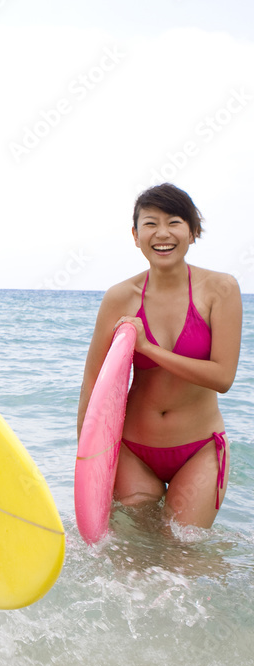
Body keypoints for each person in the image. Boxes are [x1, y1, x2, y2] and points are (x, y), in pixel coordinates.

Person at [77, 183, 241, 529]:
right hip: (133, 450)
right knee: (132, 561)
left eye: (175, 222)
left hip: (199, 449)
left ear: (193, 232)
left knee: (182, 556)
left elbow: (222, 377)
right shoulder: (119, 298)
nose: (162, 233)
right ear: (135, 235)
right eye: (150, 224)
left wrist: (148, 349)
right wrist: (87, 460)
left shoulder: (220, 290)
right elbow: (93, 381)